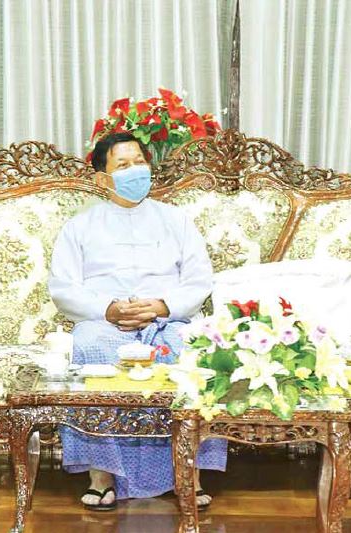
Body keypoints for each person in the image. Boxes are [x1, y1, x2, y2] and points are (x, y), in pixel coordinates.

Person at [48, 132, 227, 511]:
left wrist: (162, 306)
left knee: (194, 349)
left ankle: (189, 474)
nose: (135, 171)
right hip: (104, 321)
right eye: (123, 165)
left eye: (139, 163)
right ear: (102, 178)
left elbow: (199, 281)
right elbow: (63, 288)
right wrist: (108, 309)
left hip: (168, 319)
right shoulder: (79, 226)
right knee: (89, 345)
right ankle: (101, 475)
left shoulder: (176, 220)